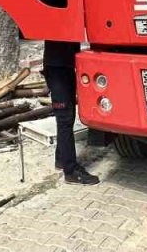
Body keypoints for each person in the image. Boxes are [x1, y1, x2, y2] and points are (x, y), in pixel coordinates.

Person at [42, 41, 99, 185]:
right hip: (57, 67)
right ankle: (71, 171)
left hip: (65, 65)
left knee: (68, 116)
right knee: (64, 119)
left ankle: (61, 159)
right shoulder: (56, 19)